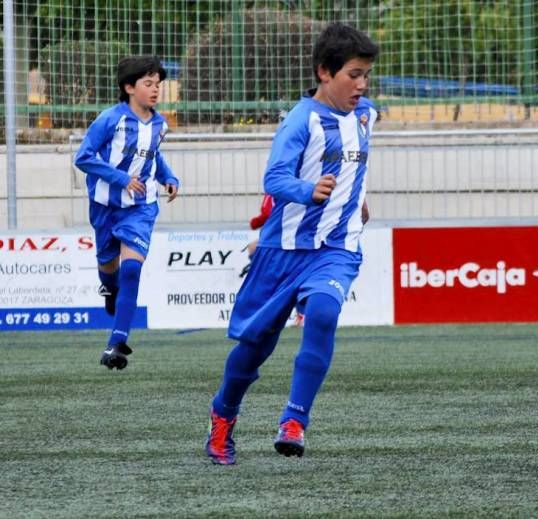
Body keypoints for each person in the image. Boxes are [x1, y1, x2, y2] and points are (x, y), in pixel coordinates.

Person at [205, 23, 379, 464]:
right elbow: (275, 179)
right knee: (254, 347)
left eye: (365, 75)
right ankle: (223, 416)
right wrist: (308, 191)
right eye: (353, 75)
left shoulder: (365, 115)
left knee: (323, 312)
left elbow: (352, 164)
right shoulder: (300, 121)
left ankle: (294, 420)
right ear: (325, 71)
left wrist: (357, 199)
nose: (362, 85)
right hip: (281, 252)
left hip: (336, 249)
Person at [74, 56, 179, 369]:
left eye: (158, 84)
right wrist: (121, 179)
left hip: (141, 208)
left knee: (131, 269)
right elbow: (83, 157)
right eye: (148, 84)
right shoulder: (110, 119)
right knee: (108, 264)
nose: (155, 89)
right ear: (129, 87)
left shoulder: (160, 125)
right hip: (105, 206)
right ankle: (108, 285)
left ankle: (116, 343)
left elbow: (154, 156)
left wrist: (169, 178)